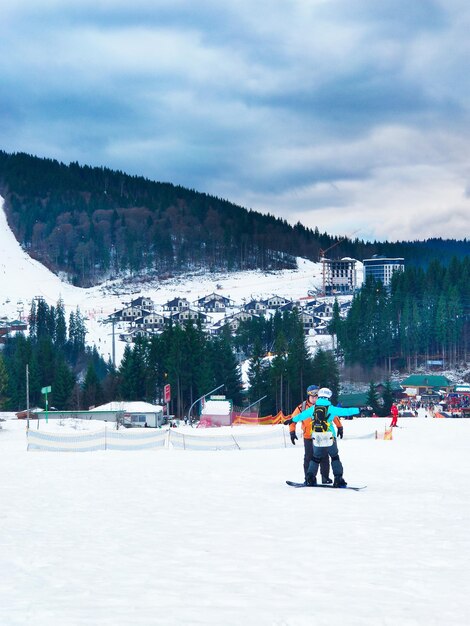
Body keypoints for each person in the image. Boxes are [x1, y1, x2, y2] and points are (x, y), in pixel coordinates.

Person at [291, 387, 359, 488]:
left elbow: (301, 416)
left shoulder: (313, 408)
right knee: (334, 457)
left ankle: (310, 478)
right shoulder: (331, 408)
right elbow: (346, 411)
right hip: (329, 436)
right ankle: (338, 479)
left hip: (316, 436)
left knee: (315, 458)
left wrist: (291, 420)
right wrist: (358, 410)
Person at [288, 384, 342, 485]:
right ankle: (308, 478)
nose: (314, 399)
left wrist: (339, 427)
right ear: (308, 396)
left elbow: (334, 416)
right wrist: (292, 432)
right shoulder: (302, 407)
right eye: (312, 397)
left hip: (322, 435)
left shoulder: (323, 406)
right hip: (308, 437)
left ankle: (325, 477)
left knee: (324, 457)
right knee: (309, 457)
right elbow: (293, 419)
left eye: (316, 396)